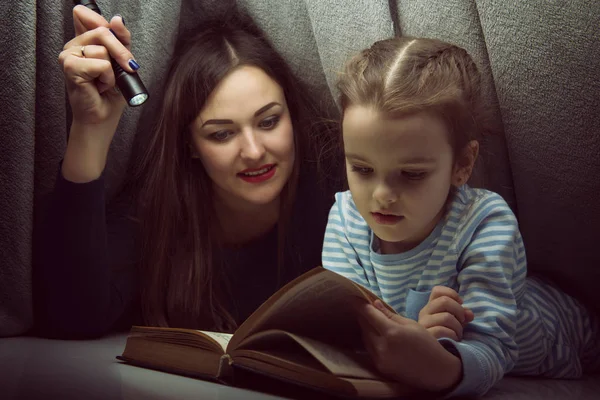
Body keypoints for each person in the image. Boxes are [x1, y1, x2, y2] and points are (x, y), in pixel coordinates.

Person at [34, 4, 340, 338]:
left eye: (269, 121)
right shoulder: (158, 215)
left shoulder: (338, 197)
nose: (253, 151)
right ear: (190, 144)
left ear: (292, 117)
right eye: (221, 134)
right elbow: (72, 317)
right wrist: (90, 128)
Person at [322, 36, 600, 397]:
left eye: (412, 174)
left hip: (565, 334)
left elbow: (494, 349)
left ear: (463, 164)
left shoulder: (484, 222)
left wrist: (430, 360)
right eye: (361, 168)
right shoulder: (345, 219)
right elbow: (348, 334)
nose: (382, 195)